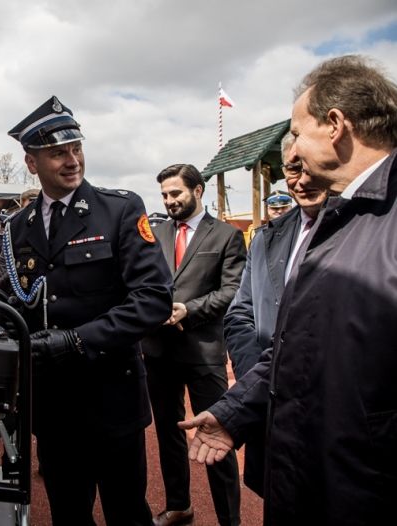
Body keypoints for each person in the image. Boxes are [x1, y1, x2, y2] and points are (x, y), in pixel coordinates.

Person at [180, 54, 397, 525]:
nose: (292, 151)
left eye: (297, 132)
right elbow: (301, 347)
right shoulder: (343, 220)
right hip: (309, 472)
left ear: (335, 125)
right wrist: (237, 412)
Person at [0, 95, 173, 526]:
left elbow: (153, 299)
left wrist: (77, 340)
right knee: (68, 514)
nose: (72, 160)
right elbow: (7, 301)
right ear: (32, 163)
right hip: (53, 407)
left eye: (76, 148)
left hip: (112, 397)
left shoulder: (119, 209)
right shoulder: (17, 227)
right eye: (58, 152)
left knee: (127, 513)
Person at [223, 132, 327, 497]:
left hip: (333, 411)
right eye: (293, 168)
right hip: (271, 402)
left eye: (311, 166)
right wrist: (261, 381)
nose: (303, 179)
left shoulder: (358, 229)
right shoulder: (266, 238)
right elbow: (240, 315)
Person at [141, 164, 245, 526]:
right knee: (168, 434)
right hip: (158, 351)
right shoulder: (154, 234)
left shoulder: (227, 236)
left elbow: (233, 291)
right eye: (165, 195)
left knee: (216, 438)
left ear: (197, 190)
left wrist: (190, 309)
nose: (169, 201)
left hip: (203, 352)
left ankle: (229, 519)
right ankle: (179, 506)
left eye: (176, 193)